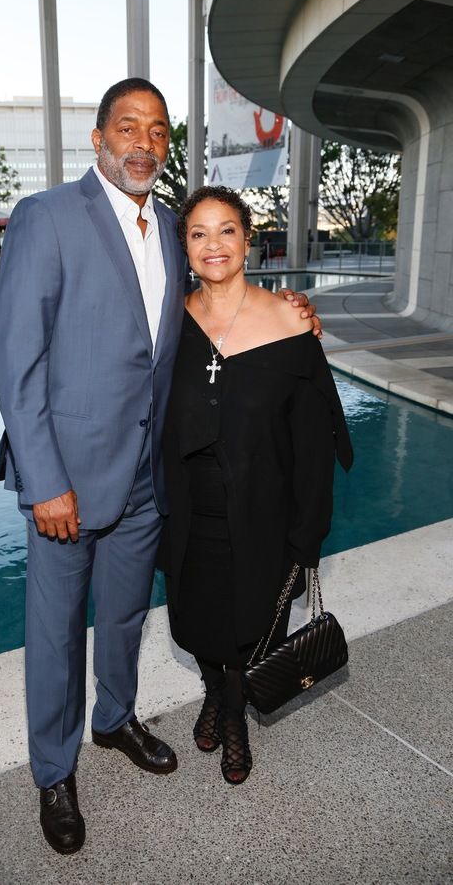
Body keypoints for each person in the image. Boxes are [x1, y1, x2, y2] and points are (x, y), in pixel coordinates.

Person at [0, 79, 320, 856]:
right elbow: (17, 363)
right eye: (128, 127)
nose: (143, 142)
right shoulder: (48, 218)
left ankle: (114, 720)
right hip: (66, 479)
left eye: (159, 131)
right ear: (99, 138)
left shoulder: (171, 226)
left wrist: (291, 308)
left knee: (128, 617)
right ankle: (53, 771)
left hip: (148, 477)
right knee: (56, 631)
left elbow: (209, 303)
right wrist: (45, 481)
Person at [159, 186, 352, 786]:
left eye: (225, 231)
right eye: (197, 233)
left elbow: (314, 443)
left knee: (252, 624)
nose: (213, 244)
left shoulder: (290, 321)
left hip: (264, 513)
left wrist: (307, 532)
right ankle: (215, 692)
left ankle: (234, 717)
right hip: (190, 512)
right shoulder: (170, 324)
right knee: (196, 623)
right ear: (185, 247)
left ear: (248, 241)